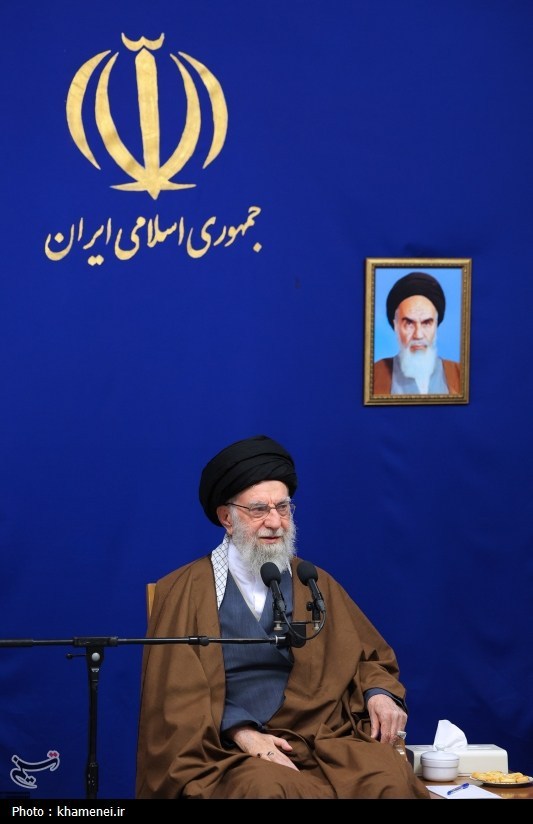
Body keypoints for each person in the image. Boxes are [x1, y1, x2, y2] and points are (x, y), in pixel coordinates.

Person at [135, 435, 431, 799]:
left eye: (283, 508)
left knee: (386, 778)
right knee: (267, 789)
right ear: (227, 518)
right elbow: (173, 696)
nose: (275, 522)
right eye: (259, 509)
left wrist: (379, 694)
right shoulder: (185, 590)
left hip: (322, 736)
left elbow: (367, 656)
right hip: (225, 746)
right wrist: (242, 732)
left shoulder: (313, 581)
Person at [373, 272, 461, 395]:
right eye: (409, 323)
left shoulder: (460, 374)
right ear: (396, 326)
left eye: (426, 323)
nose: (418, 335)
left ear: (436, 325)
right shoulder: (374, 374)